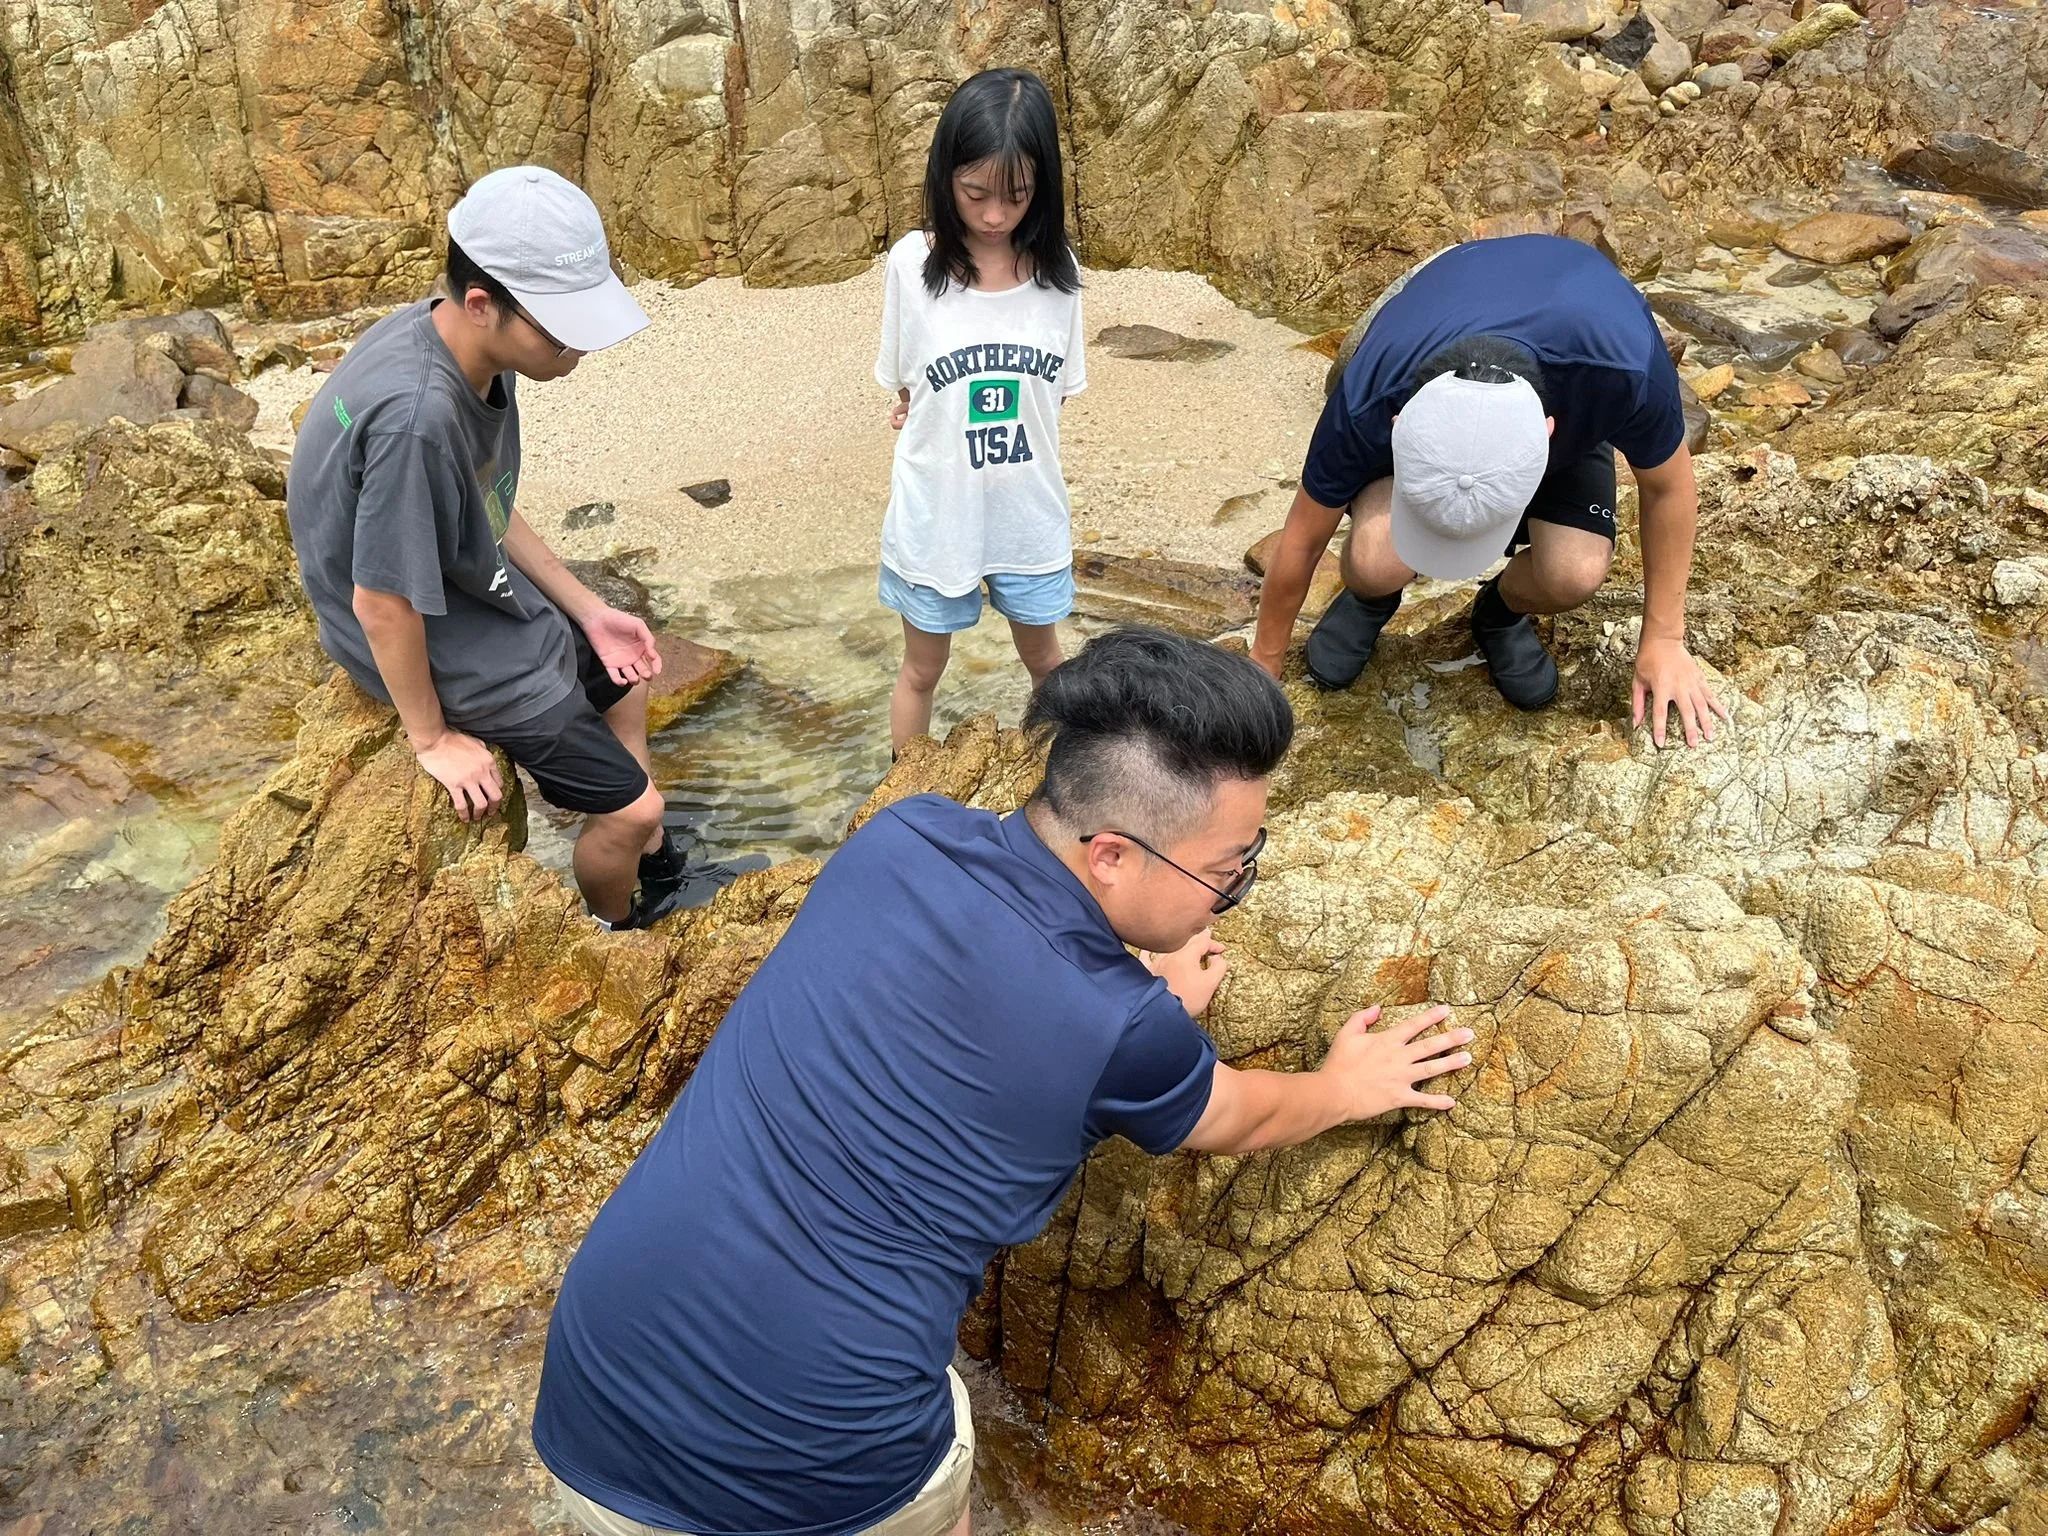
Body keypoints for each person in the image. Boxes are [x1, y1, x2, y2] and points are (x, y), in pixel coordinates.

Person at [531, 625, 1476, 1536]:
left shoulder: (903, 836)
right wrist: (1347, 1086)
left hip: (594, 1388)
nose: (1232, 895)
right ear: (1113, 855)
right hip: (820, 1457)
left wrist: (1134, 996)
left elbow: (976, 981)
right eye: (1230, 870)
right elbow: (1235, 1115)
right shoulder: (1121, 1029)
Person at [286, 165, 739, 929]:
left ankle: (651, 849)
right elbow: (382, 603)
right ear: (481, 302)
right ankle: (620, 925)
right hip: (417, 625)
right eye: (562, 329)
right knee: (632, 808)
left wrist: (590, 611)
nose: (579, 347)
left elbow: (483, 496)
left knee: (624, 675)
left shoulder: (462, 343)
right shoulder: (418, 418)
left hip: (452, 580)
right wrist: (432, 738)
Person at [1249, 234, 1729, 749]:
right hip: (1453, 320)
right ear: (1397, 424)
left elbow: (1669, 489)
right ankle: (1370, 598)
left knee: (1574, 573)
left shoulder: (1622, 368)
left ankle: (1498, 613)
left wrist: (1663, 638)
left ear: (1550, 431)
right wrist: (1262, 667)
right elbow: (1303, 539)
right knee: (1375, 558)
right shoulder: (1372, 391)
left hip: (1572, 362)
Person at [875, 68, 1088, 755]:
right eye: (975, 194)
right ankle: (898, 800)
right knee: (922, 670)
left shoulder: (1061, 279)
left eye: (1016, 195)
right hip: (938, 515)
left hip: (1026, 512)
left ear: (1043, 186)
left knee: (1046, 663)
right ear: (946, 177)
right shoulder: (911, 266)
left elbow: (1053, 394)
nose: (994, 215)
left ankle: (1064, 786)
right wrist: (924, 409)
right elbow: (905, 383)